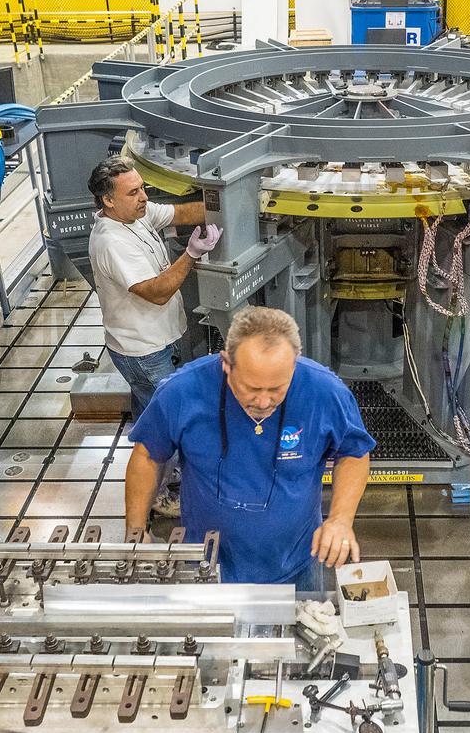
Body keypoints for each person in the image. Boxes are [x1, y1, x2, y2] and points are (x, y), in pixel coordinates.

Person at [124, 306, 375, 588]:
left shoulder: (325, 392)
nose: (264, 402)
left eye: (277, 389)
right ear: (226, 364)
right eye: (252, 389)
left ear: (294, 364)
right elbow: (147, 455)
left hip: (295, 565)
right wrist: (136, 530)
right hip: (207, 564)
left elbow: (354, 452)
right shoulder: (182, 391)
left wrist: (340, 519)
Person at [86, 156, 220, 421]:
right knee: (170, 418)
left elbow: (181, 213)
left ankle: (147, 447)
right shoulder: (112, 241)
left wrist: (228, 204)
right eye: (133, 192)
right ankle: (164, 460)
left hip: (159, 340)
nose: (144, 197)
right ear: (108, 200)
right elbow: (157, 293)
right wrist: (192, 253)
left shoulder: (136, 215)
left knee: (150, 408)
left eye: (143, 188)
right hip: (144, 353)